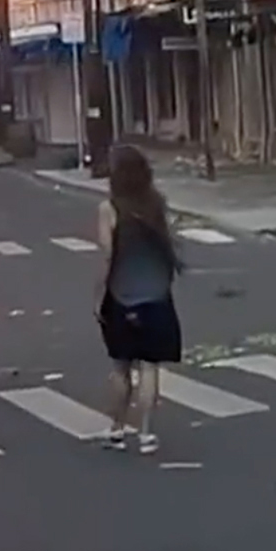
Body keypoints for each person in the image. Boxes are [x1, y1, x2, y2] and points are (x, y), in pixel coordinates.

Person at [94, 143, 186, 455]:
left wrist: (98, 294)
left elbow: (107, 256)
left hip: (121, 296)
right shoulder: (156, 204)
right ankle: (146, 434)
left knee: (120, 367)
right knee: (149, 368)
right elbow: (168, 244)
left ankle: (117, 429)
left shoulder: (109, 209)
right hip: (157, 296)